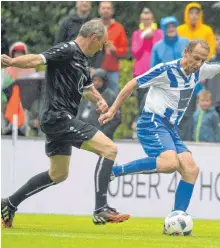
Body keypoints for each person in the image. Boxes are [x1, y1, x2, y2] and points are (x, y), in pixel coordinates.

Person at [99, 38, 220, 234]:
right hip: (152, 122)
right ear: (185, 53)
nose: (198, 63)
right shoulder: (165, 70)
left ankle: (175, 219)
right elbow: (132, 84)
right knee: (170, 163)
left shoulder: (199, 70)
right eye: (196, 58)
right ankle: (114, 171)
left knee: (191, 170)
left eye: (202, 60)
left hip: (170, 128)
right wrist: (112, 111)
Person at [1, 19, 130, 228]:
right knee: (109, 149)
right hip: (57, 117)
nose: (102, 48)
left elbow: (87, 88)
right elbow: (37, 59)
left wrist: (100, 100)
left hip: (58, 119)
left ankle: (9, 203)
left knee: (58, 174)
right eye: (102, 43)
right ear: (94, 38)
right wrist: (11, 62)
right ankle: (101, 209)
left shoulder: (82, 59)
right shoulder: (66, 50)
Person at [90, 1, 128, 95]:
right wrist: (90, 66)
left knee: (113, 96)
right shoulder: (93, 26)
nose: (106, 10)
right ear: (99, 10)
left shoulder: (119, 28)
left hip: (112, 70)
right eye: (103, 8)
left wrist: (115, 50)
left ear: (112, 11)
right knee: (94, 97)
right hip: (96, 68)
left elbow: (124, 51)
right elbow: (87, 47)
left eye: (108, 8)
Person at [132, 8, 163, 113]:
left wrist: (151, 38)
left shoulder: (159, 33)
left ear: (153, 20)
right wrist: (145, 40)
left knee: (156, 100)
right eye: (144, 19)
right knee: (141, 100)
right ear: (141, 20)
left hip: (155, 72)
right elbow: (136, 53)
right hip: (140, 72)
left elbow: (159, 51)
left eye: (148, 19)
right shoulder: (137, 34)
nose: (146, 22)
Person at [77, 68, 121, 139]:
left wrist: (104, 133)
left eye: (99, 80)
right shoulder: (87, 94)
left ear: (105, 82)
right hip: (83, 134)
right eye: (94, 80)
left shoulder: (110, 96)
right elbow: (79, 114)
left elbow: (116, 119)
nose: (96, 83)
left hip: (100, 136)